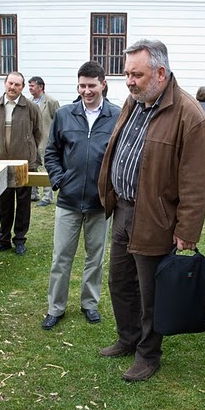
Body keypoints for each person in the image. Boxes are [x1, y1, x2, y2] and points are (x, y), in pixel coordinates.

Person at [97, 39, 205, 381]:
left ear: (160, 73)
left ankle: (149, 355)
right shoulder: (133, 104)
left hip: (156, 218)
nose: (129, 81)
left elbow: (197, 182)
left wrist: (187, 231)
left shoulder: (190, 116)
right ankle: (128, 338)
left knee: (151, 293)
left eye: (137, 74)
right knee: (120, 281)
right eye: (126, 74)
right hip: (123, 209)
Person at [41, 61, 121, 330]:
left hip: (100, 203)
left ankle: (89, 303)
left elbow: (120, 156)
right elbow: (51, 152)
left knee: (95, 258)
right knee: (61, 257)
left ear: (103, 84)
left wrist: (110, 187)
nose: (87, 91)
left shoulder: (116, 115)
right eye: (82, 86)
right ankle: (56, 307)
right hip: (69, 201)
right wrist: (60, 179)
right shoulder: (65, 115)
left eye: (92, 86)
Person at [0, 71, 42, 256]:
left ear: (22, 87)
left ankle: (20, 239)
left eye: (17, 85)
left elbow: (38, 133)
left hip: (25, 164)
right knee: (4, 203)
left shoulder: (30, 108)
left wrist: (27, 149)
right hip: (2, 164)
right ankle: (3, 239)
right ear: (5, 83)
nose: (12, 87)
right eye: (10, 83)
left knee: (23, 203)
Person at [27, 76, 60, 206]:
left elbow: (59, 121)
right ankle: (33, 193)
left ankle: (47, 196)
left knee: (47, 167)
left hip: (46, 141)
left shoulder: (51, 101)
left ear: (40, 87)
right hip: (31, 142)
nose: (30, 88)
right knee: (32, 166)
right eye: (29, 86)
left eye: (32, 86)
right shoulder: (29, 102)